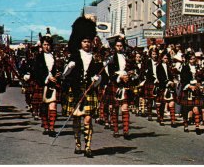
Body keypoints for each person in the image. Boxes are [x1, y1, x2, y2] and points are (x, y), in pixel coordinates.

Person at [64, 16, 103, 158]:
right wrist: (69, 67)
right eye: (84, 41)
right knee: (76, 119)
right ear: (80, 42)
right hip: (76, 90)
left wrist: (97, 79)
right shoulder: (74, 55)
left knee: (87, 119)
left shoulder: (96, 57)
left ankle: (88, 147)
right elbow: (65, 75)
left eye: (89, 41)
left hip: (89, 91)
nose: (87, 44)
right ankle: (77, 144)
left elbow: (101, 75)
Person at [33, 30, 61, 137]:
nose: (47, 47)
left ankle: (52, 128)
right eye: (45, 44)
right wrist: (47, 78)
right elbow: (36, 72)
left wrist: (58, 75)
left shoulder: (55, 56)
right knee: (44, 107)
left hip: (54, 85)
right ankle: (46, 126)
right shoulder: (39, 57)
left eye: (48, 45)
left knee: (53, 106)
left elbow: (60, 69)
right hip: (42, 84)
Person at [107, 37, 135, 139]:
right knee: (115, 108)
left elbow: (132, 68)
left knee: (125, 107)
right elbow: (110, 73)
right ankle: (115, 130)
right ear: (115, 46)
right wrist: (119, 77)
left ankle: (126, 131)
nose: (119, 47)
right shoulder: (110, 58)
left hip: (125, 84)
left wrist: (130, 74)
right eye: (118, 46)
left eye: (121, 46)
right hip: (115, 83)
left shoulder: (126, 56)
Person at [155, 53, 177, 127]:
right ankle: (161, 119)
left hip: (170, 87)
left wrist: (173, 80)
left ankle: (173, 121)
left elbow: (173, 75)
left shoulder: (170, 66)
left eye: (167, 58)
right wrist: (167, 82)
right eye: (164, 58)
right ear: (161, 58)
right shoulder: (159, 67)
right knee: (162, 104)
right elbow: (160, 77)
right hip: (163, 87)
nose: (166, 60)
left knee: (172, 103)